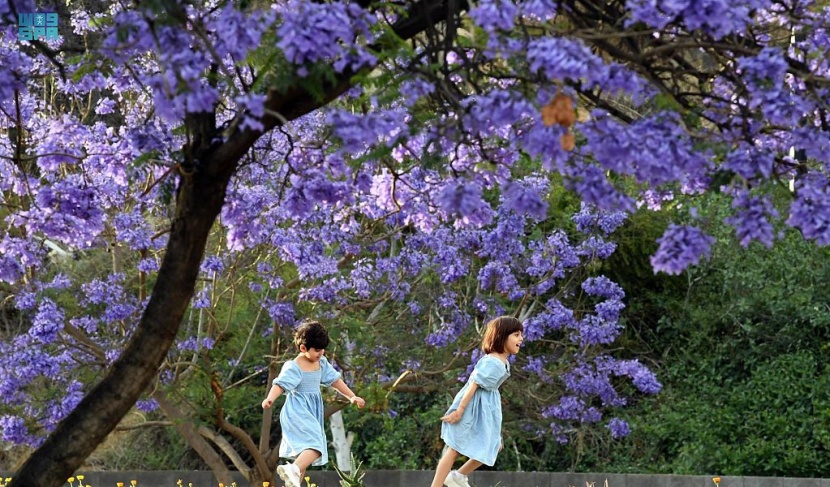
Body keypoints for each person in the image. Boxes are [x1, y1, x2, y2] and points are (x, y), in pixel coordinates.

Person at [262, 320, 366, 487]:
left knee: (303, 455)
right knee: (316, 446)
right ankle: (293, 469)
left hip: (311, 412)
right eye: (317, 350)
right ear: (303, 348)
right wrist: (270, 398)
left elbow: (335, 381)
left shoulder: (321, 363)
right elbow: (280, 384)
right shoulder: (294, 366)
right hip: (297, 412)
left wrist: (352, 397)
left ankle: (294, 477)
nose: (321, 353)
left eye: (322, 349)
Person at [430, 315, 524, 487]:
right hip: (472, 406)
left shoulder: (502, 361)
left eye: (521, 335)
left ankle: (458, 476)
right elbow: (473, 384)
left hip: (487, 408)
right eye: (516, 335)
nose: (521, 339)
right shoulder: (492, 361)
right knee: (454, 449)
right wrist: (460, 410)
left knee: (493, 446)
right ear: (502, 336)